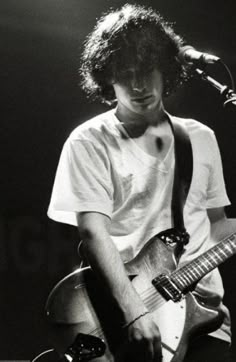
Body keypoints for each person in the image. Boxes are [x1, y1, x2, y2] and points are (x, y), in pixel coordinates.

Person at [47, 4, 235, 361]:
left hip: (205, 318)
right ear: (107, 78)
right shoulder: (89, 140)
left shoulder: (201, 137)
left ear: (166, 69)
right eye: (125, 73)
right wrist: (134, 310)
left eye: (147, 70)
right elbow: (92, 233)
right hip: (129, 316)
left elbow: (216, 226)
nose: (138, 85)